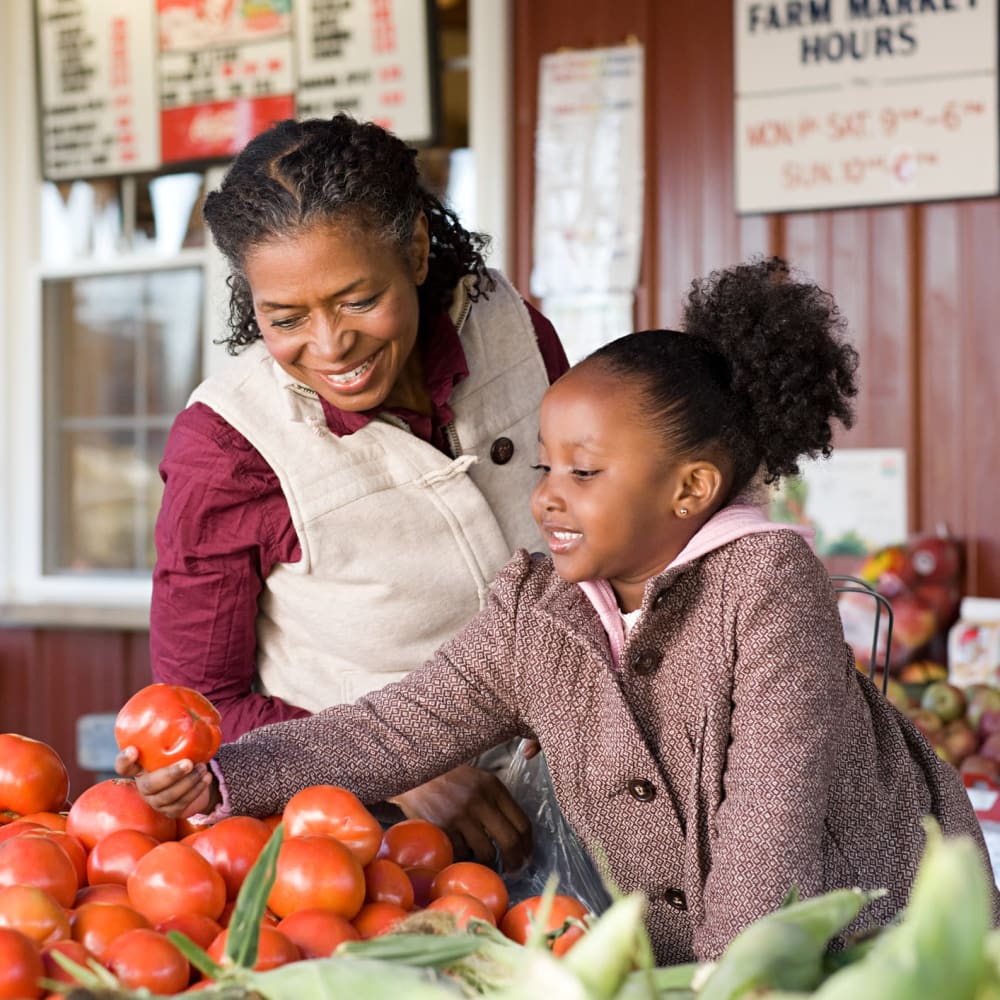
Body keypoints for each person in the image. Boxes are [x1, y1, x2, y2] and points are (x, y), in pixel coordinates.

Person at [121, 256, 1000, 964]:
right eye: (543, 467)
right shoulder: (537, 607)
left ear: (689, 489)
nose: (547, 497)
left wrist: (737, 978)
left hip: (875, 939)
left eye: (584, 473)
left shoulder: (769, 587)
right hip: (699, 961)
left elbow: (773, 807)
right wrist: (228, 775)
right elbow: (393, 730)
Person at [149, 114, 569, 867]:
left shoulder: (510, 329)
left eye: (354, 299)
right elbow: (201, 710)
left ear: (413, 249)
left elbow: (599, 520)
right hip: (364, 848)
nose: (330, 344)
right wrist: (400, 767)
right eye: (286, 317)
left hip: (579, 788)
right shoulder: (227, 446)